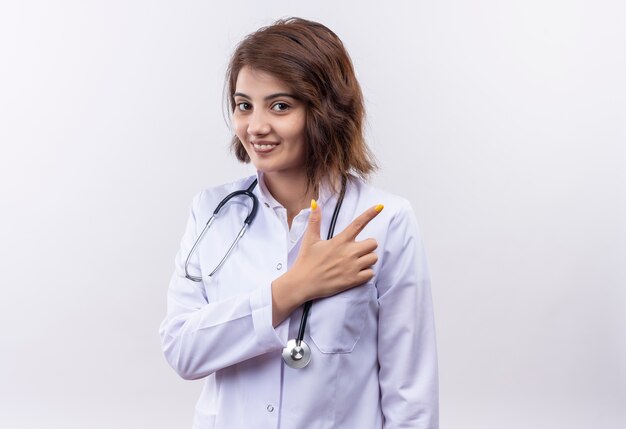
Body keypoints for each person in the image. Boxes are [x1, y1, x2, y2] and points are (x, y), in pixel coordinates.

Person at [159, 17, 438, 429]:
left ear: (325, 110)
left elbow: (410, 392)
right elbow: (183, 350)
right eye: (243, 105)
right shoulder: (212, 211)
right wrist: (291, 290)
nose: (255, 127)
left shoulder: (386, 222)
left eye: (281, 106)